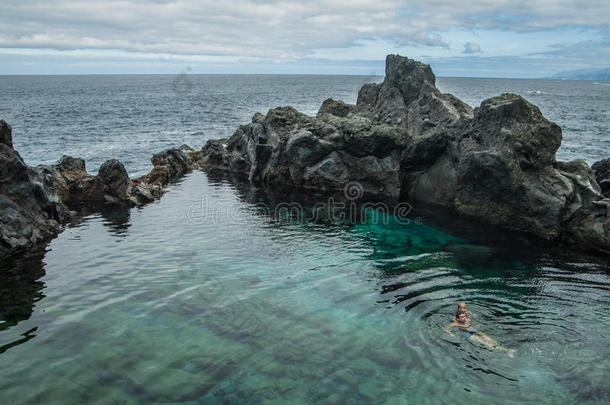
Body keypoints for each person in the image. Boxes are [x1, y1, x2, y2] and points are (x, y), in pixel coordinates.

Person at [444, 310, 515, 357]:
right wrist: (451, 334)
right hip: (468, 335)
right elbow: (445, 329)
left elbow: (472, 319)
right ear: (458, 318)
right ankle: (507, 351)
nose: (464, 318)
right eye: (462, 317)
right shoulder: (455, 323)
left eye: (464, 316)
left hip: (474, 331)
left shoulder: (467, 319)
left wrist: (477, 324)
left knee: (489, 339)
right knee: (487, 344)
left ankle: (506, 349)